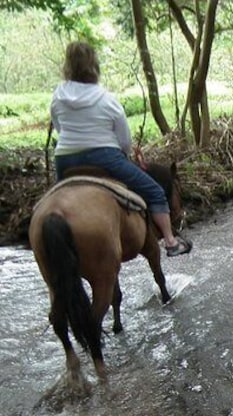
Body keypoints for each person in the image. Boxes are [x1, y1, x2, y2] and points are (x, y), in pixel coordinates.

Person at [50, 41, 192, 257]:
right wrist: (124, 153)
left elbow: (60, 128)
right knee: (155, 192)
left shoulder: (57, 96)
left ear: (67, 66)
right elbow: (124, 141)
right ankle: (171, 242)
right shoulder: (106, 99)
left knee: (55, 205)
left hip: (65, 159)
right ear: (94, 66)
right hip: (105, 158)